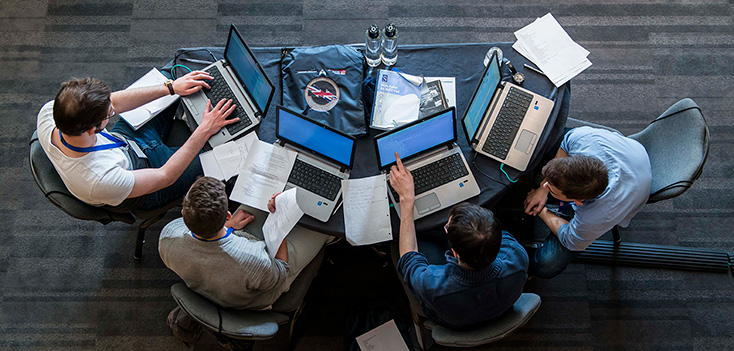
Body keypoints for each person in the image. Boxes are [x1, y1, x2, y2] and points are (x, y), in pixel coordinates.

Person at [36, 72, 237, 211]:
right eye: (110, 113)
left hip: (126, 144)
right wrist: (204, 131)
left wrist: (170, 87)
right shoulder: (99, 179)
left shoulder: (50, 113)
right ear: (90, 129)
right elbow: (165, 176)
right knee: (231, 150)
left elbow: (113, 102)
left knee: (179, 83)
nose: (113, 109)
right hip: (147, 180)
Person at [389, 152, 529, 330]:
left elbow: (408, 258)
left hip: (449, 319)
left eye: (447, 227)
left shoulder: (432, 285)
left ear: (454, 253)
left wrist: (406, 200)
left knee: (406, 238)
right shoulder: (517, 256)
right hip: (498, 307)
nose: (445, 227)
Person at [159, 177, 330, 310]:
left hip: (211, 281)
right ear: (227, 214)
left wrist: (228, 227)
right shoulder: (254, 259)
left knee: (256, 204)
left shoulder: (168, 236)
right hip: (251, 298)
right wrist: (279, 222)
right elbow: (281, 270)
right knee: (324, 227)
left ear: (183, 213)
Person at [524, 126, 652, 279]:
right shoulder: (583, 139)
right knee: (546, 138)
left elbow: (570, 239)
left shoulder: (596, 216)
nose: (545, 186)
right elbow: (565, 143)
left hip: (629, 185)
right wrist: (543, 189)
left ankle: (522, 261)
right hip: (633, 157)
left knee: (546, 264)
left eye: (552, 190)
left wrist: (542, 210)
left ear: (578, 202)